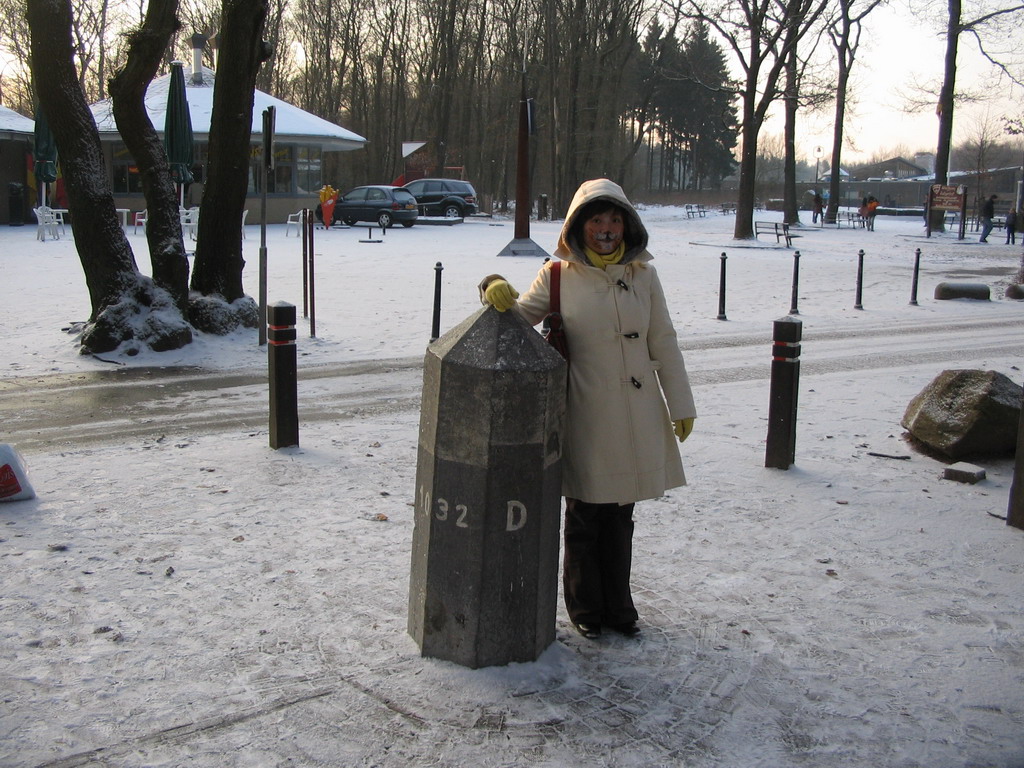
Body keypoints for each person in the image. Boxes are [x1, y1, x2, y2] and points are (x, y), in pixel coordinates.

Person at [479, 178, 697, 641]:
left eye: (614, 219)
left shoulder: (645, 276)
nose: (606, 228)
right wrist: (491, 284)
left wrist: (681, 403)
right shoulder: (556, 276)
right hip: (585, 414)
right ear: (579, 226)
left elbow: (664, 340)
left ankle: (619, 607)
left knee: (621, 514)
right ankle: (585, 607)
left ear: (627, 225)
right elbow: (515, 319)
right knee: (584, 513)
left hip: (637, 414)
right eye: (597, 219)